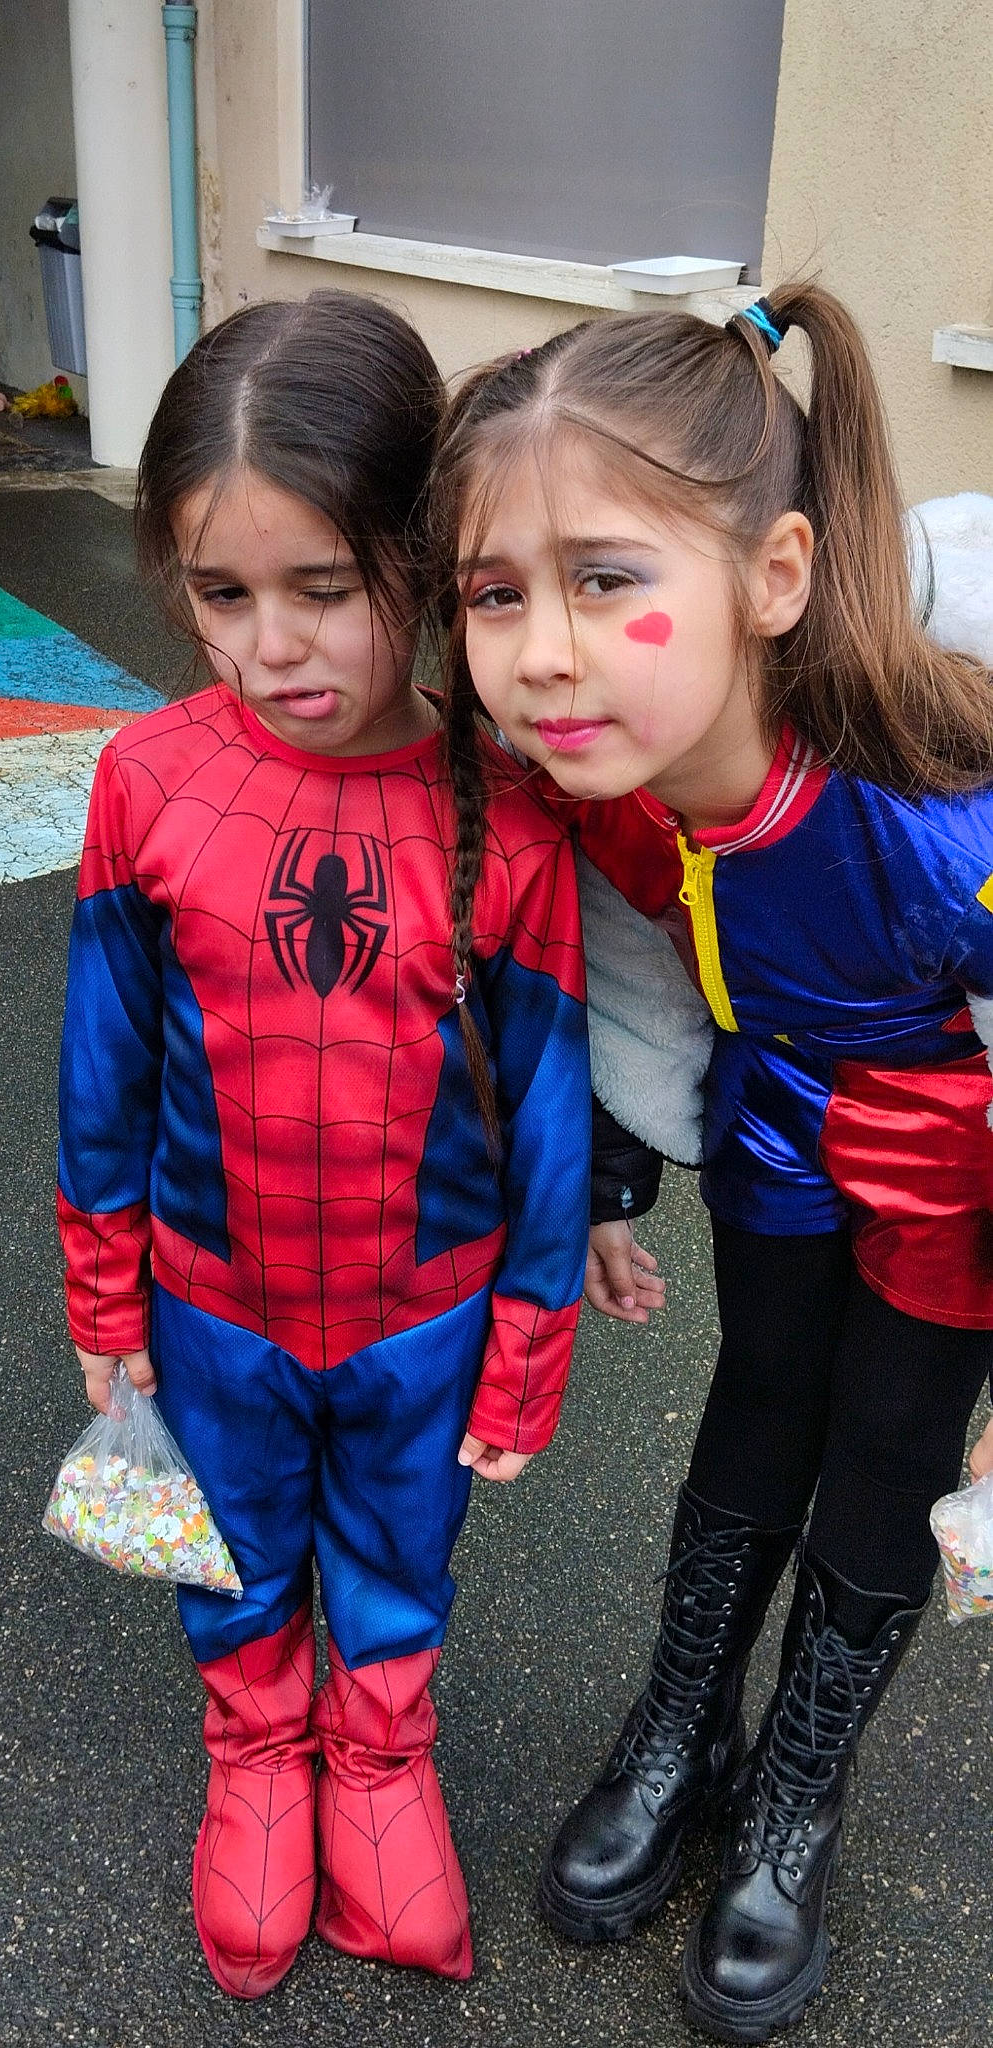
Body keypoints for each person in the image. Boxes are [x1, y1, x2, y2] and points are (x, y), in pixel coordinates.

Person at [435, 283, 993, 2041]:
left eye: (608, 580)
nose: (543, 652)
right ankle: (687, 1731)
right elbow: (627, 974)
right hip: (776, 1138)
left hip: (952, 1176)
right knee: (755, 1406)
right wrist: (612, 1173)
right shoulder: (617, 789)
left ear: (774, 578)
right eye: (496, 594)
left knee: (887, 1453)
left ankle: (794, 1806)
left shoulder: (931, 820)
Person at [56, 289, 591, 2001]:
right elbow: (104, 1072)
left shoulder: (509, 809)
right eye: (223, 594)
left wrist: (526, 1340)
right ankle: (254, 1759)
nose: (273, 645)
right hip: (213, 1302)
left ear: (419, 568)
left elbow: (551, 1098)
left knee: (393, 1551)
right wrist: (104, 1297)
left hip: (420, 1317)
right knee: (226, 1533)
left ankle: (377, 1766)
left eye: (324, 587)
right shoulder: (147, 782)